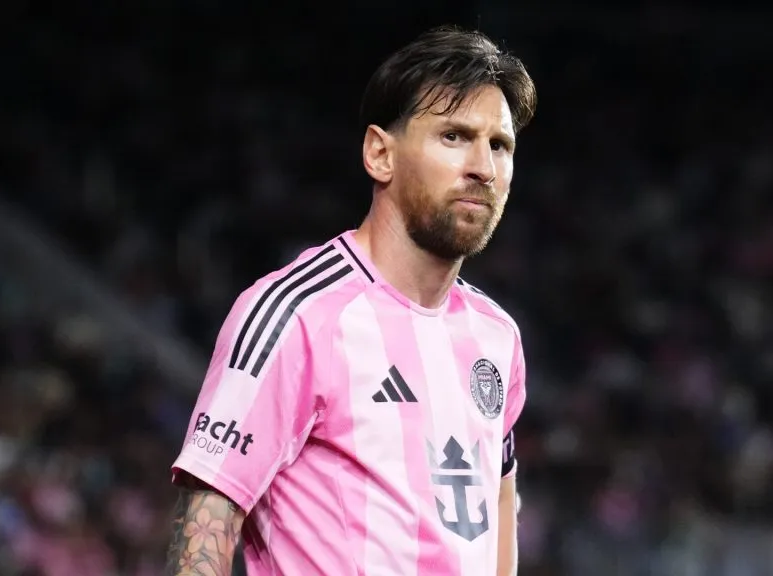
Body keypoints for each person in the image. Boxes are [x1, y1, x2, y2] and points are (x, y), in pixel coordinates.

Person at [166, 24, 537, 576]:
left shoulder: (496, 334)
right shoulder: (296, 315)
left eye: (499, 145)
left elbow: (499, 503)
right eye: (453, 136)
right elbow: (205, 529)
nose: (483, 167)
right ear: (380, 154)